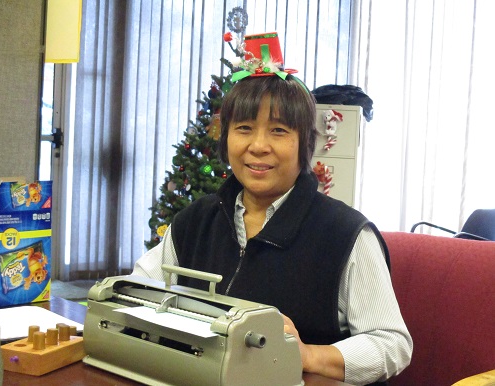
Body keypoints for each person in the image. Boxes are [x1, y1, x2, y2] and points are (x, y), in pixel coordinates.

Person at [133, 32, 412, 386]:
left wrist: (308, 355)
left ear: (304, 144)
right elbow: (137, 291)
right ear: (227, 139)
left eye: (278, 131)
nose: (258, 146)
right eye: (244, 129)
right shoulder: (195, 222)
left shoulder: (345, 234)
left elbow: (392, 343)